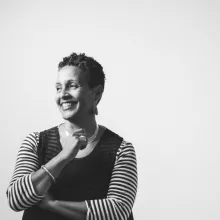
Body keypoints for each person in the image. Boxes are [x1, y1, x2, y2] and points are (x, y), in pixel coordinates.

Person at [6, 53, 138, 220]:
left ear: (96, 94)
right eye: (58, 88)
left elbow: (117, 211)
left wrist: (53, 205)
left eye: (72, 85)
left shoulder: (120, 150)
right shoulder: (36, 142)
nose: (63, 95)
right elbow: (16, 199)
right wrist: (64, 155)